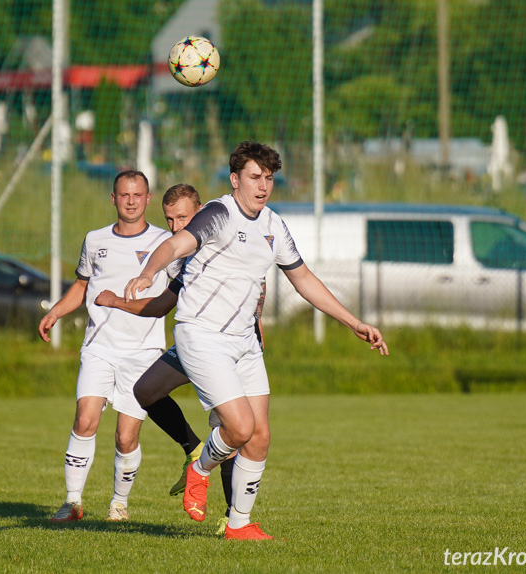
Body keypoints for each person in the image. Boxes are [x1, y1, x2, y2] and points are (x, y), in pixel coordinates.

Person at [125, 141, 389, 540]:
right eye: (254, 177)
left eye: (268, 178)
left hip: (243, 340)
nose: (263, 185)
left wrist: (352, 321)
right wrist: (148, 272)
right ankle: (199, 470)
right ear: (235, 180)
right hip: (202, 334)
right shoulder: (219, 213)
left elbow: (303, 278)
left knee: (260, 435)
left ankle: (238, 525)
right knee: (240, 427)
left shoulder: (273, 225)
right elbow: (177, 244)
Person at [94, 182, 267, 536]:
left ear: (202, 212)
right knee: (145, 391)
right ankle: (193, 449)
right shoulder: (184, 256)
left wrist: (254, 331)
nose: (175, 227)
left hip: (228, 346)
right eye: (169, 219)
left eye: (183, 218)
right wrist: (116, 302)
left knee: (234, 431)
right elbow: (161, 305)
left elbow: (254, 291)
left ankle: (232, 517)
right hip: (196, 344)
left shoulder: (226, 239)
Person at [39, 170, 179, 523]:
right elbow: (82, 285)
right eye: (124, 194)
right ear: (113, 198)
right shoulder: (95, 240)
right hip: (99, 347)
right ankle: (72, 503)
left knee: (126, 436)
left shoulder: (167, 242)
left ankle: (119, 503)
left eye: (137, 195)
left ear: (148, 199)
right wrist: (56, 311)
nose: (130, 200)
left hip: (143, 354)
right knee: (85, 419)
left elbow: (180, 289)